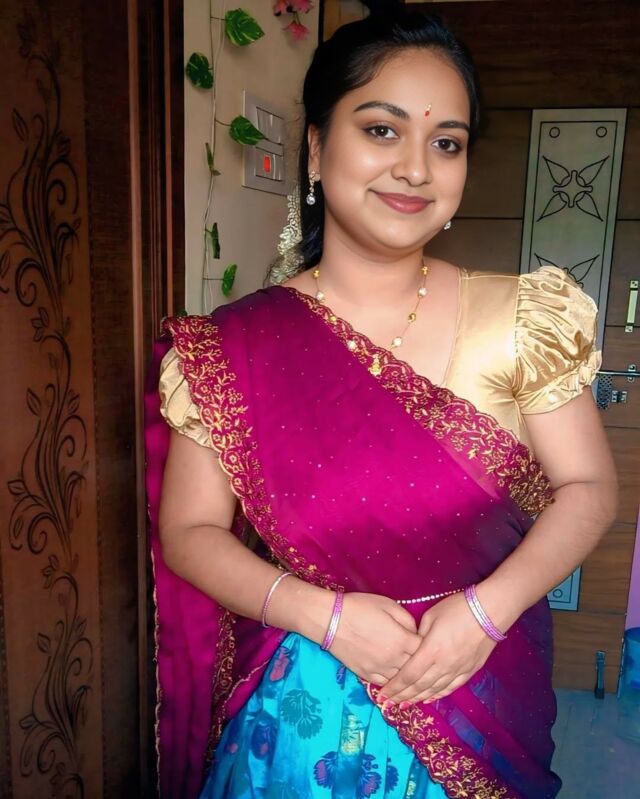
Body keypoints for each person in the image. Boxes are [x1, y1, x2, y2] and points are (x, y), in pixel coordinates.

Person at [144, 3, 618, 798]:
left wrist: (485, 614)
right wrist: (323, 616)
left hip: (478, 685)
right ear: (316, 148)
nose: (416, 169)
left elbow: (590, 487)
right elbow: (189, 532)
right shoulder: (233, 348)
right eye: (381, 129)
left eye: (446, 143)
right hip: (299, 712)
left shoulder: (521, 318)